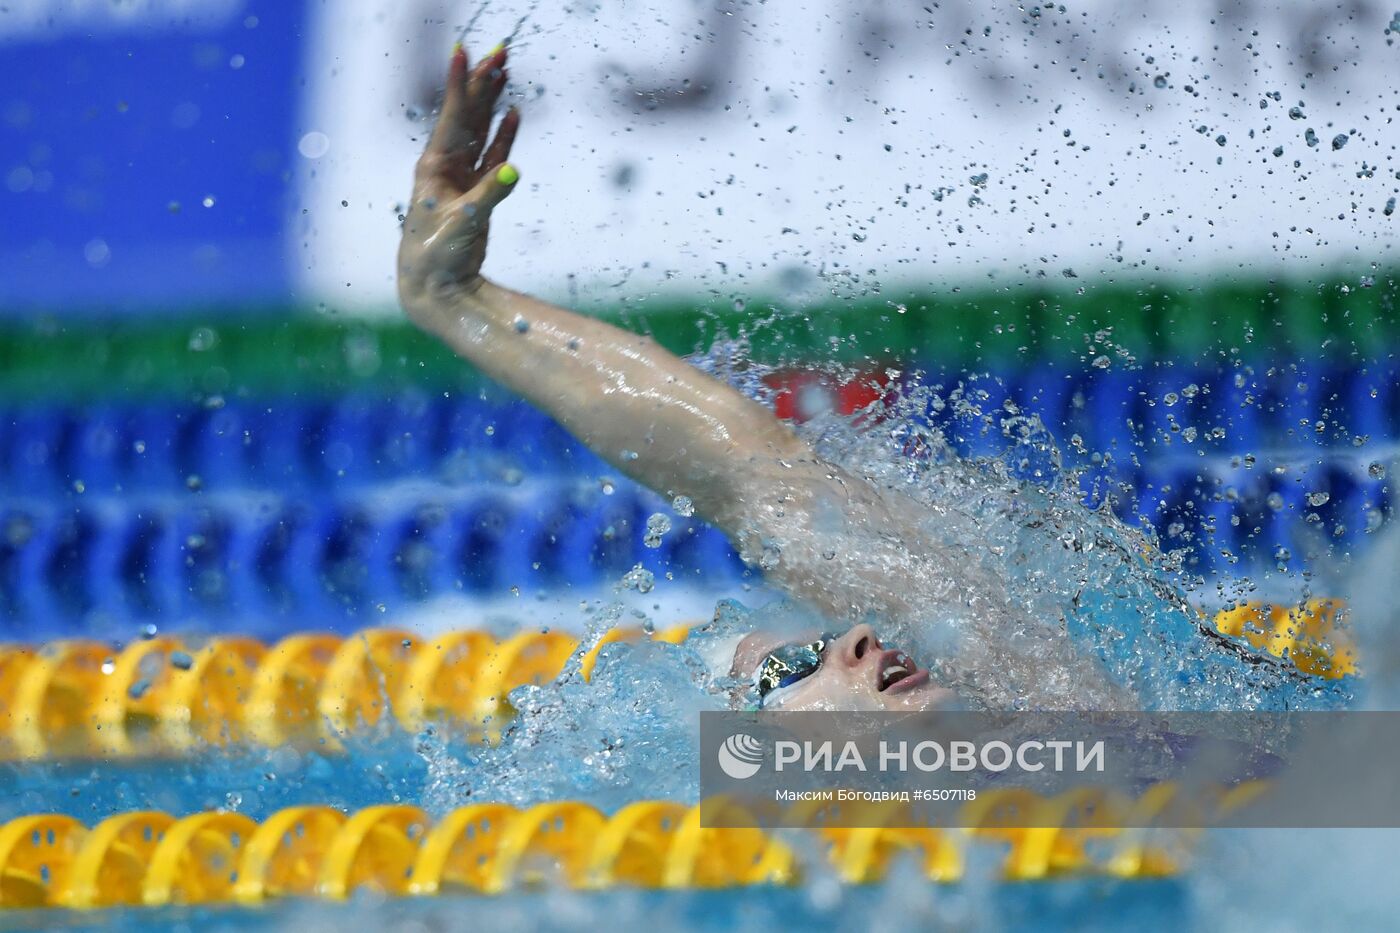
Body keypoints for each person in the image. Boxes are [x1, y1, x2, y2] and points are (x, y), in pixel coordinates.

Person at [397, 44, 1131, 712]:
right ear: (764, 765)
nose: (862, 638)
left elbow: (748, 473)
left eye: (816, 647)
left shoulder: (1072, 730)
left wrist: (457, 303)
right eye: (794, 672)